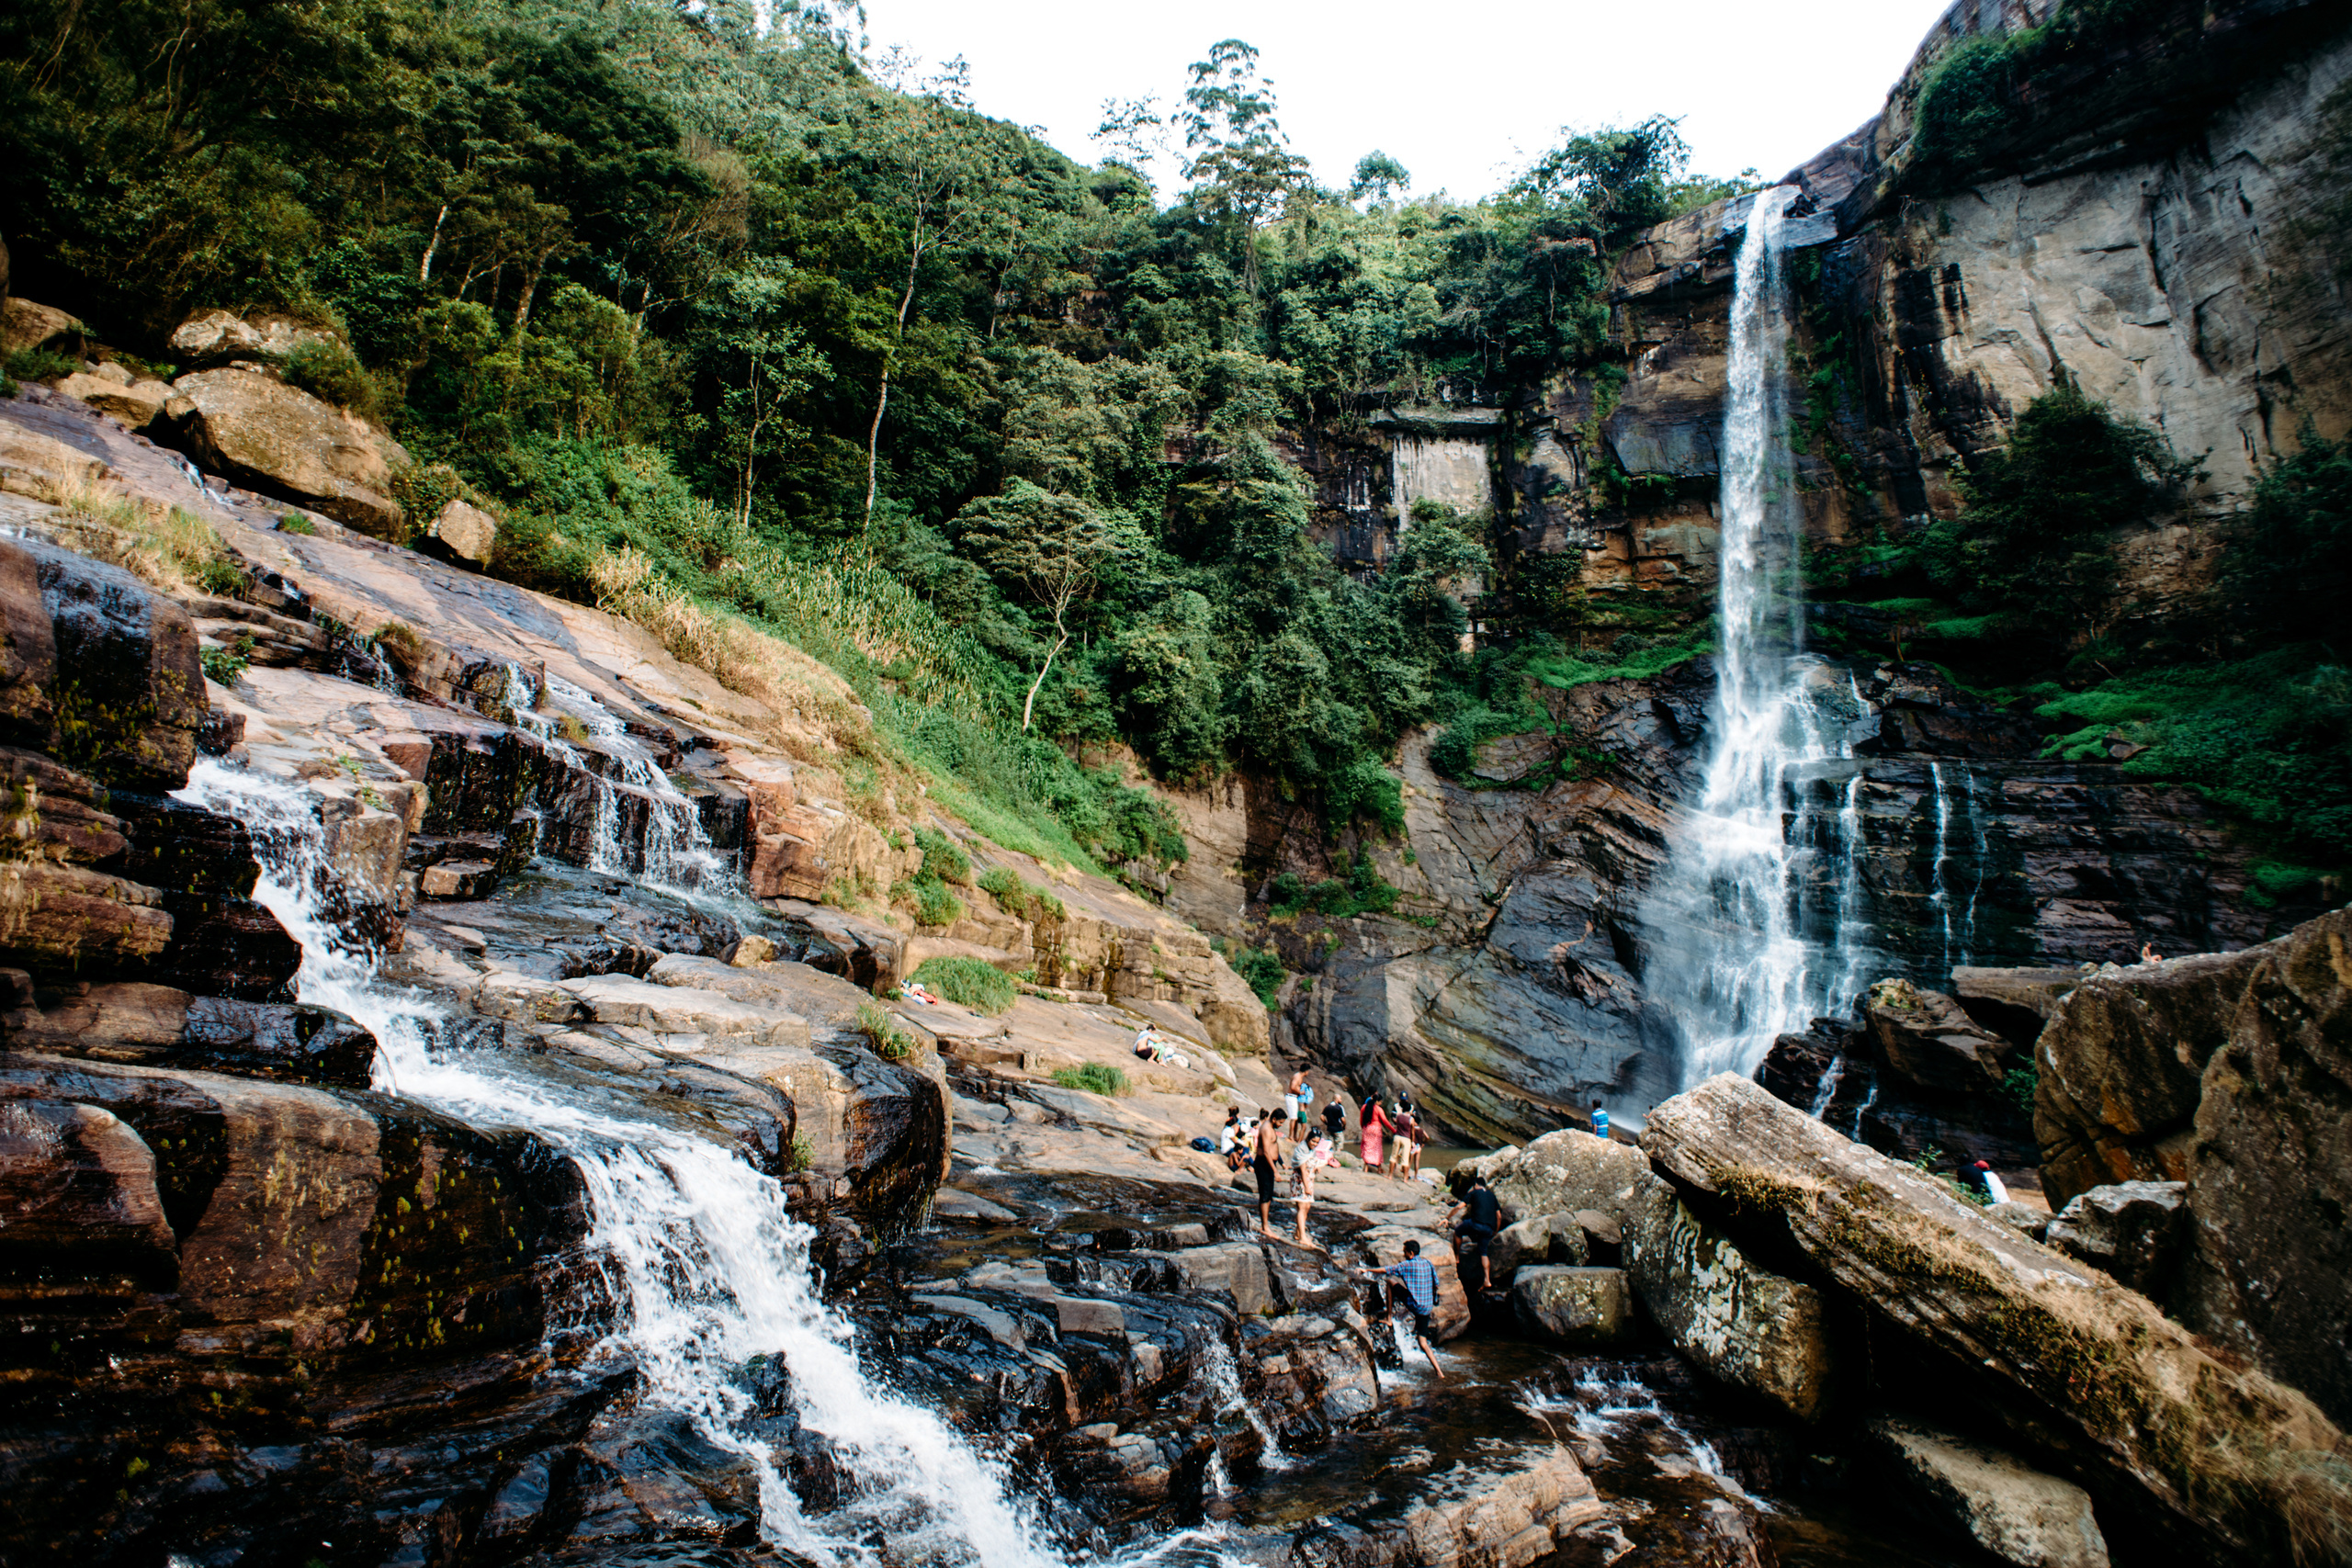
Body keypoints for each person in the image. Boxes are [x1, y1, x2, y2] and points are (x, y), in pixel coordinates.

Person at [1370, 1240, 1445, 1380]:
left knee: (1390, 1281)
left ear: (1410, 1254)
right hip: (1427, 1308)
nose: (1403, 1255)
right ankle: (1439, 1372)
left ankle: (1389, 1318)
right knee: (1422, 1342)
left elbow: (1386, 1270)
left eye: (1404, 1252)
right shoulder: (1428, 1263)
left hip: (1416, 1306)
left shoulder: (1407, 1265)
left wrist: (1366, 1270)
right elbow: (1437, 1284)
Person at [1446, 1171, 1502, 1291]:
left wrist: (1447, 1218)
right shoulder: (1492, 1196)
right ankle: (1487, 1280)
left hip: (1476, 1224)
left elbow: (1458, 1207)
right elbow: (1499, 1216)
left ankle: (1457, 1257)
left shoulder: (1474, 1192)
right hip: (1488, 1229)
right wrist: (1495, 1231)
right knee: (1484, 1253)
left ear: (1476, 1185)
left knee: (1458, 1231)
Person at [1251, 1109, 1289, 1236]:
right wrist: (1275, 1171)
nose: (1281, 1125)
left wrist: (1281, 1163)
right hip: (1263, 1164)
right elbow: (1267, 1151)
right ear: (1274, 1119)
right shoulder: (1266, 1129)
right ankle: (1265, 1227)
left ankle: (1265, 1224)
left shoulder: (1270, 1126)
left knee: (1268, 1195)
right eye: (1280, 1122)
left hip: (1268, 1164)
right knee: (1265, 1195)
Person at [1291, 1134, 1332, 1248]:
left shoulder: (1311, 1150)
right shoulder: (1302, 1149)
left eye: (1316, 1142)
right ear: (1308, 1139)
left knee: (1307, 1207)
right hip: (1300, 1181)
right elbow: (1303, 1171)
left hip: (1308, 1180)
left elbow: (1313, 1162)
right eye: (1313, 1141)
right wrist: (1307, 1187)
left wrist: (1317, 1167)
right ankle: (1303, 1237)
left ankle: (1298, 1233)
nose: (1314, 1144)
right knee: (1302, 1207)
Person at [1361, 1096, 1394, 1175]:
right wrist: (1393, 1130)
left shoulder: (1364, 1107)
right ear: (1377, 1101)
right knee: (1377, 1148)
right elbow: (1385, 1121)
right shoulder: (1378, 1109)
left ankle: (1366, 1167)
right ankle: (1379, 1168)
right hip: (1376, 1129)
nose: (1381, 1104)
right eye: (1381, 1102)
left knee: (1367, 1147)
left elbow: (1361, 1119)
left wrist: (1363, 1128)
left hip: (1367, 1128)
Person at [1283, 1069, 1306, 1139]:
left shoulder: (1300, 1076)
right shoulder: (1297, 1076)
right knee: (1293, 1118)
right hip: (1291, 1097)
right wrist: (1300, 1092)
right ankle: (1291, 1136)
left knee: (1296, 1118)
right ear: (1306, 1071)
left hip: (1294, 1097)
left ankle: (1294, 1136)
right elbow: (1293, 1087)